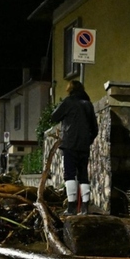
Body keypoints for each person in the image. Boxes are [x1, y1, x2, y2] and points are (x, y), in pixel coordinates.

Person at [50, 79, 99, 215]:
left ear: (70, 90)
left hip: (70, 144)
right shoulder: (88, 104)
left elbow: (54, 116)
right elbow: (95, 129)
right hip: (83, 146)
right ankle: (85, 207)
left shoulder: (68, 102)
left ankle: (71, 207)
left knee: (70, 174)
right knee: (83, 175)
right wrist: (87, 141)